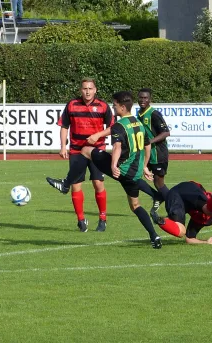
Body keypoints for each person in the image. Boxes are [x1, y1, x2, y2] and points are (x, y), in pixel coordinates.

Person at [47, 91, 163, 249]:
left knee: (86, 150)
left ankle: (66, 184)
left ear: (122, 107)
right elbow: (147, 145)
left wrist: (114, 165)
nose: (113, 107)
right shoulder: (138, 123)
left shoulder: (120, 126)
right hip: (134, 173)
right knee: (135, 206)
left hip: (122, 169)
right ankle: (154, 236)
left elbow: (117, 147)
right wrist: (144, 166)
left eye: (114, 105)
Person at [47, 78, 114, 233]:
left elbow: (113, 127)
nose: (88, 91)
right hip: (77, 150)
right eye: (85, 88)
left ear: (95, 90)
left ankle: (102, 219)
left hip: (97, 150)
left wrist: (98, 135)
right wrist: (63, 146)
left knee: (98, 183)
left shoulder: (103, 106)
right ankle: (81, 220)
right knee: (76, 185)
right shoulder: (72, 105)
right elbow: (64, 126)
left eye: (90, 88)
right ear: (80, 90)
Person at [150, 181, 212, 245]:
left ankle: (159, 219)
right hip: (190, 189)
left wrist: (206, 242)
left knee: (180, 231)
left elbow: (189, 239)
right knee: (211, 211)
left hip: (176, 197)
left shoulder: (204, 220)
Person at [135, 88, 170, 212]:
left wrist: (149, 141)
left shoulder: (154, 114)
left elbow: (166, 132)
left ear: (150, 99)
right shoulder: (139, 113)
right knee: (133, 175)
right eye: (141, 97)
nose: (143, 100)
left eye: (145, 98)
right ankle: (157, 196)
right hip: (146, 153)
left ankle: (174, 205)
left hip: (158, 153)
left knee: (159, 182)